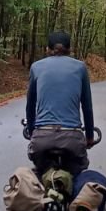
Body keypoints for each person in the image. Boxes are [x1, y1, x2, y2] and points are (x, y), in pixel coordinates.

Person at [25, 30, 95, 175]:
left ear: (47, 49)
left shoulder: (36, 67)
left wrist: (32, 132)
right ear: (70, 49)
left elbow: (30, 105)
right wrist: (89, 136)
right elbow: (87, 106)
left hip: (42, 139)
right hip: (72, 139)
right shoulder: (80, 68)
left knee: (39, 175)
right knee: (77, 174)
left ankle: (40, 192)